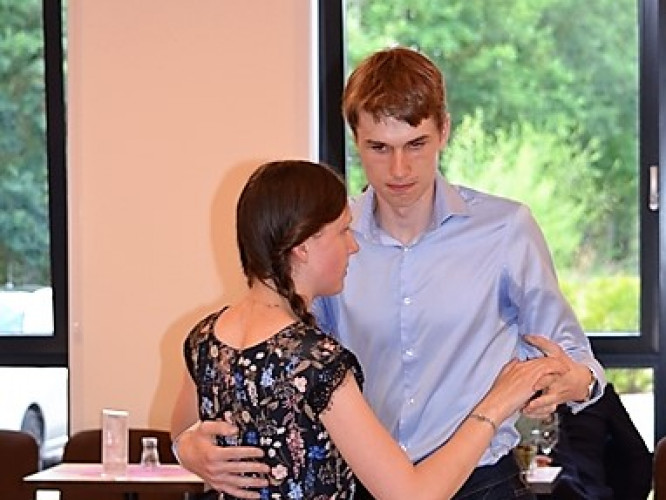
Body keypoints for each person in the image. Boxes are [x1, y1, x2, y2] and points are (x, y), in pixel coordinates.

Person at [172, 47, 607, 499]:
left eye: (415, 144)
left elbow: (574, 355)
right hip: (361, 482)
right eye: (378, 148)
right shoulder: (327, 241)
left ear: (444, 130)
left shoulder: (506, 229)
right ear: (355, 139)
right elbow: (280, 352)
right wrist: (187, 447)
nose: (399, 169)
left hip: (481, 484)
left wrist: (576, 381)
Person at [171, 159, 566, 500]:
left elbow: (182, 431)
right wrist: (497, 403)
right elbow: (412, 495)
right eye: (343, 231)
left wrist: (185, 448)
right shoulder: (315, 364)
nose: (354, 246)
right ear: (303, 246)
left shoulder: (206, 338)